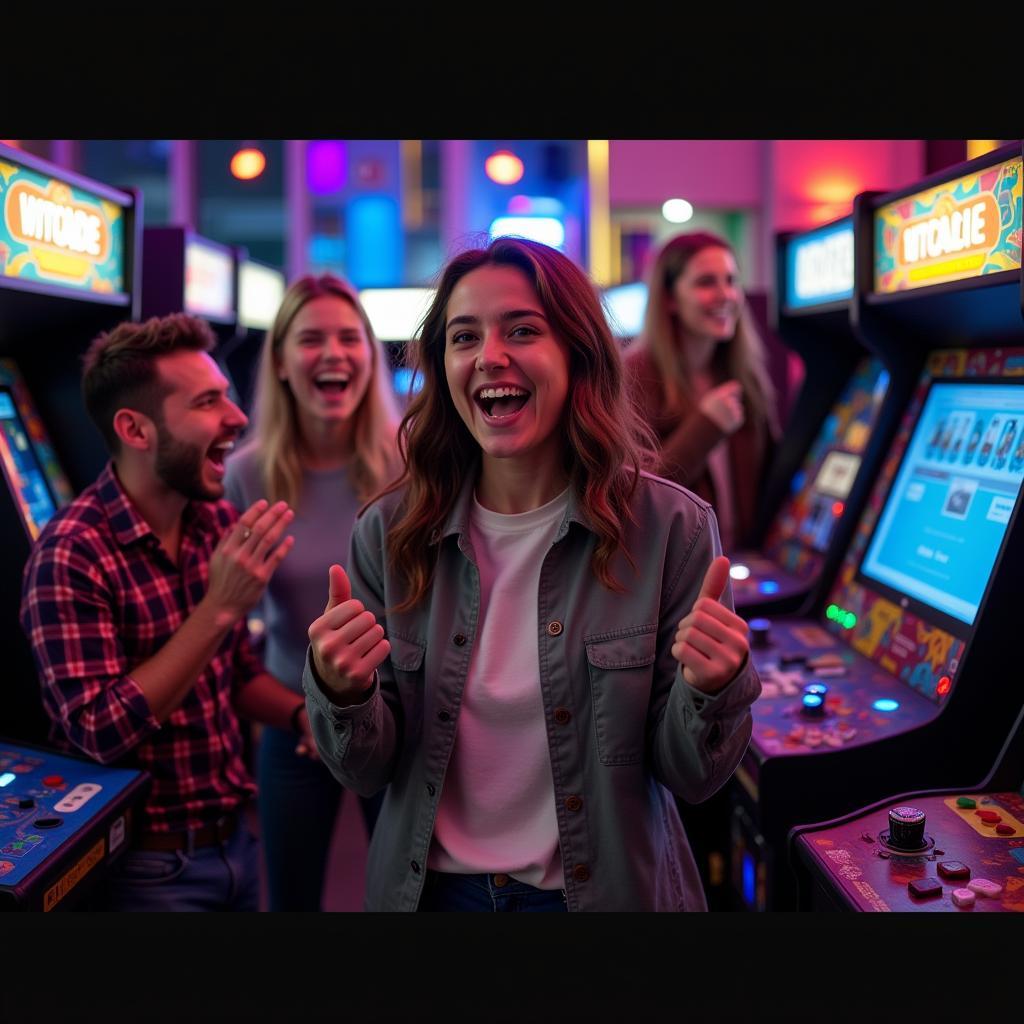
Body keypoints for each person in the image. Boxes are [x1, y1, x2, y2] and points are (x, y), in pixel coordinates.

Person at [302, 237, 761, 912]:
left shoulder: (673, 528)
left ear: (578, 356)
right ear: (441, 366)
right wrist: (339, 694)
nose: (490, 356)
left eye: (522, 330)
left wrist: (713, 689)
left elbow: (691, 779)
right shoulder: (389, 532)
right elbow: (366, 771)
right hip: (430, 894)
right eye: (464, 337)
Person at [20, 313, 313, 912]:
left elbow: (233, 676)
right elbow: (99, 731)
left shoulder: (213, 522)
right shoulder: (72, 552)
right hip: (143, 867)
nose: (237, 418)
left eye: (228, 397)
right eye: (208, 402)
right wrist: (220, 606)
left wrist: (304, 716)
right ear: (135, 428)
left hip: (237, 842)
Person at [224, 274, 401, 910]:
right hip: (293, 722)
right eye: (311, 339)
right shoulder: (244, 475)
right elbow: (227, 621)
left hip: (397, 722)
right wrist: (304, 716)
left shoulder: (411, 462)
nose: (333, 353)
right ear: (279, 360)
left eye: (349, 338)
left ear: (370, 356)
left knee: (406, 901)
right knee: (290, 903)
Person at [623, 231, 780, 552]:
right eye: (706, 282)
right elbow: (633, 498)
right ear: (669, 299)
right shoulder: (631, 377)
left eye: (731, 280)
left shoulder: (744, 373)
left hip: (743, 564)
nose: (726, 295)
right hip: (677, 576)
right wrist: (705, 427)